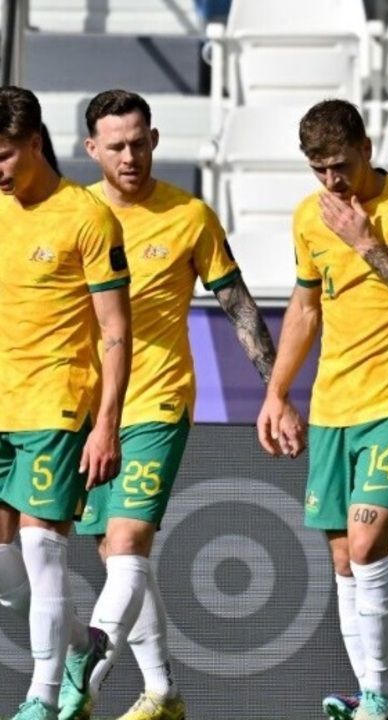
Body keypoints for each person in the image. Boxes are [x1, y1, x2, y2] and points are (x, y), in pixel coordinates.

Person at [54, 89, 280, 720]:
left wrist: (276, 388)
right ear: (91, 149)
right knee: (111, 554)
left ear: (155, 139)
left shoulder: (189, 216)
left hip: (157, 399)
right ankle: (163, 692)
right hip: (81, 406)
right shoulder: (72, 213)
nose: (130, 156)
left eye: (139, 142)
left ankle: (81, 684)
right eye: (115, 146)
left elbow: (236, 305)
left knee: (126, 542)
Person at [256, 99, 388, 720]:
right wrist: (277, 392)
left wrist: (367, 244)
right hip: (333, 405)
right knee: (344, 556)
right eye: (319, 170)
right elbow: (307, 306)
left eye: (340, 166)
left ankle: (376, 697)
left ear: (366, 148)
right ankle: (374, 690)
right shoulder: (309, 218)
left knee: (371, 545)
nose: (332, 183)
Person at [0, 85, 132, 720]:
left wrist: (105, 423)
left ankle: (42, 698)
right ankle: (81, 644)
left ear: (32, 143)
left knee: (41, 547)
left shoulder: (86, 216)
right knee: (5, 577)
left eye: (2, 154)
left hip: (56, 404)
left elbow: (115, 330)